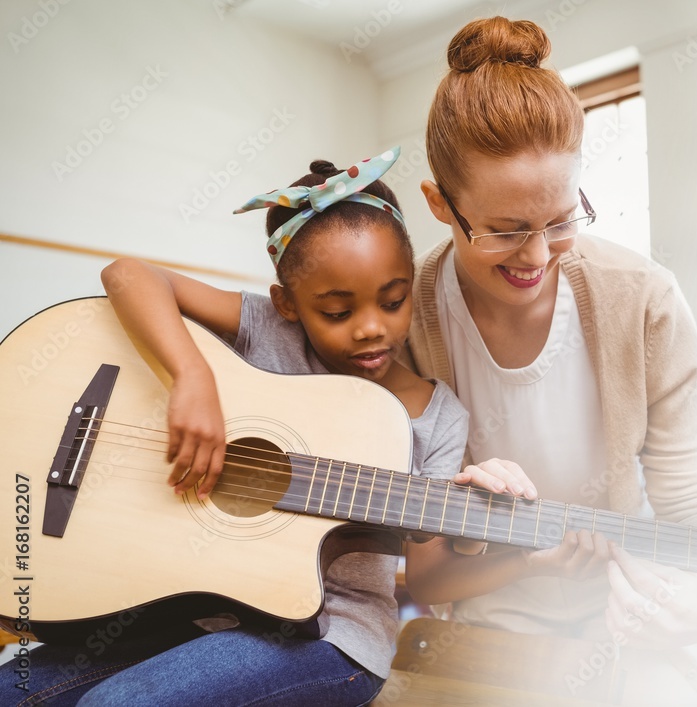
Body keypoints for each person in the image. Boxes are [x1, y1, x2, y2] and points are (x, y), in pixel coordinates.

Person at [1, 148, 468, 706]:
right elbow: (128, 275)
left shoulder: (439, 419)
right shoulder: (267, 331)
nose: (372, 328)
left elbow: (430, 581)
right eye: (338, 313)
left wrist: (525, 552)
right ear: (287, 304)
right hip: (199, 610)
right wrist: (189, 375)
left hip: (332, 638)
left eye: (392, 301)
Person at [400, 17, 697, 705]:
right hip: (493, 620)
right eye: (504, 230)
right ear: (440, 204)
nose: (535, 256)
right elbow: (424, 572)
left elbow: (690, 509)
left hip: (633, 601)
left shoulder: (645, 302)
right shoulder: (406, 323)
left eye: (560, 220)